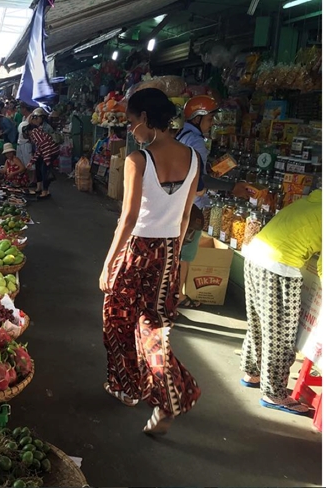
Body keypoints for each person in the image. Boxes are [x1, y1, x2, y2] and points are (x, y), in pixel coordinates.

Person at [100, 88, 201, 435]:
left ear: (144, 118)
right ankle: (162, 395)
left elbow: (127, 219)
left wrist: (109, 263)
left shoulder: (137, 160)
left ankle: (134, 389)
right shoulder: (193, 157)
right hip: (170, 249)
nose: (130, 131)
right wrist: (172, 256)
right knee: (155, 325)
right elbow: (186, 215)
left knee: (117, 317)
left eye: (131, 123)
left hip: (138, 249)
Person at [240, 189, 321, 415]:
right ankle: (274, 394)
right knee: (280, 334)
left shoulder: (313, 201)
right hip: (278, 268)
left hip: (255, 256)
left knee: (259, 323)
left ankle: (252, 372)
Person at [177, 95, 250, 308]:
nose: (213, 123)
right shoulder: (196, 140)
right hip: (193, 207)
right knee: (184, 256)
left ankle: (171, 297)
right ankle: (177, 297)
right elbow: (199, 178)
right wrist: (231, 187)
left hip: (181, 202)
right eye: (210, 119)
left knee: (178, 253)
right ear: (198, 118)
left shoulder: (182, 135)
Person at [27, 116, 59, 199]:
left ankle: (45, 192)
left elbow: (45, 145)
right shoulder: (37, 132)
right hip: (52, 152)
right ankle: (45, 190)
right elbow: (39, 150)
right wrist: (32, 162)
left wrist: (47, 159)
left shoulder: (34, 133)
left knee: (45, 171)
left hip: (50, 152)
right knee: (44, 170)